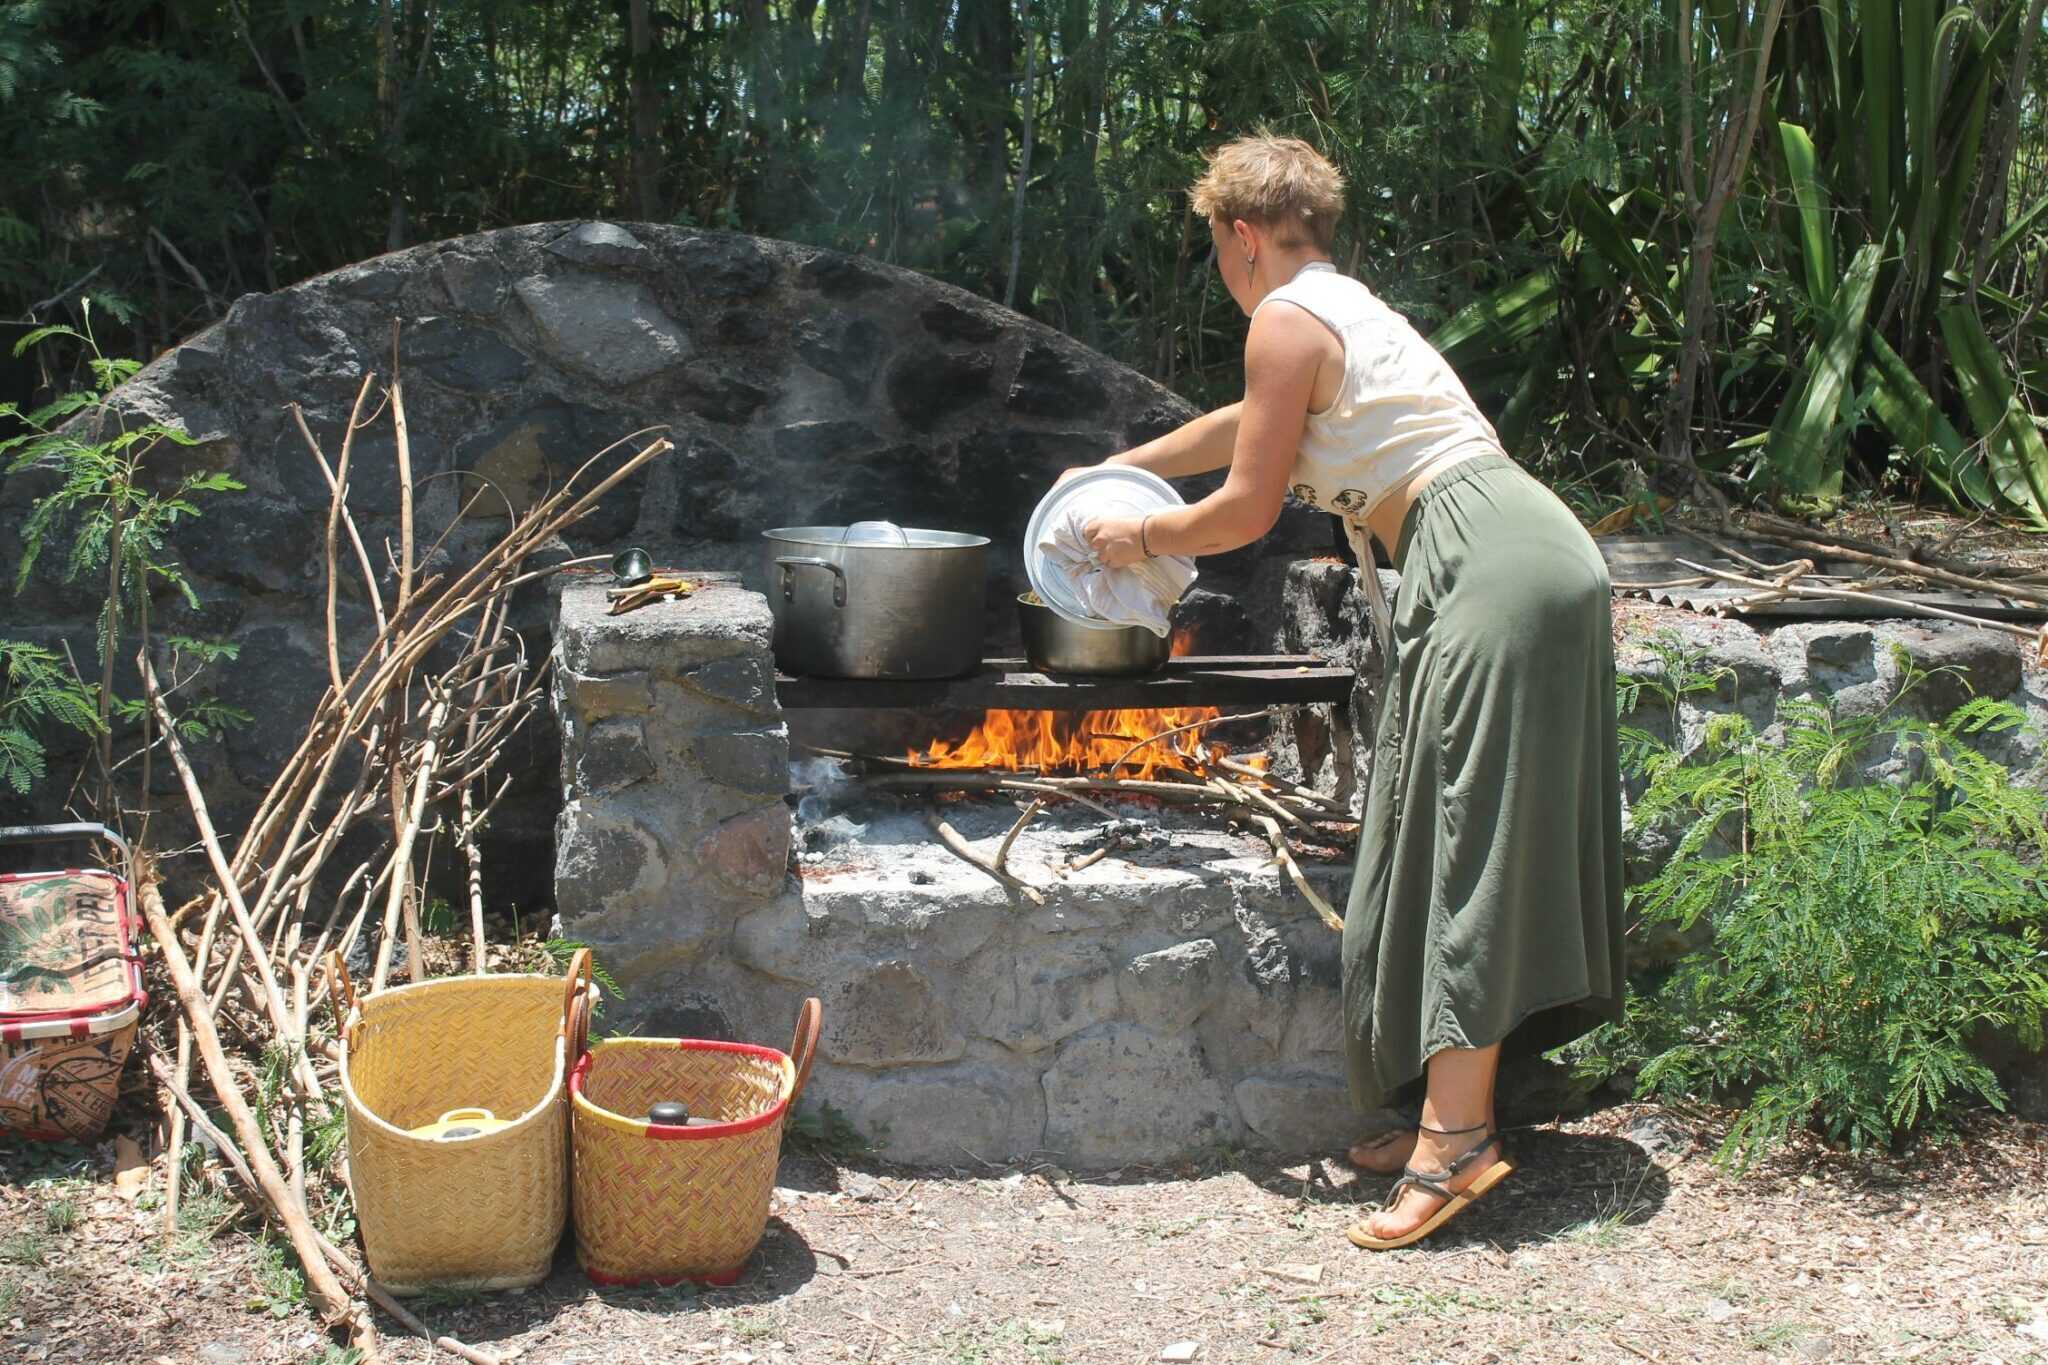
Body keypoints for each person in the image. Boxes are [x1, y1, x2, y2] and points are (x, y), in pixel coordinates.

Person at [1063, 133, 1625, 1250]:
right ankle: (1443, 1110)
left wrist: (1129, 532)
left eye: (1212, 247)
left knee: (1467, 836)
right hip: (1517, 551)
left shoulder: (1283, 319)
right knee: (1448, 822)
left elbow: (1242, 511)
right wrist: (1119, 469)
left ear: (1236, 233)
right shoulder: (1337, 309)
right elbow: (1241, 429)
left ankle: (1456, 1144)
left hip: (1486, 564)